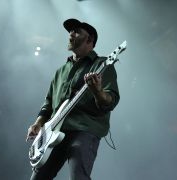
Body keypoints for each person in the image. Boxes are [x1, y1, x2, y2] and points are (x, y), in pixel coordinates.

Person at [26, 18, 120, 180]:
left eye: (76, 31)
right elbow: (49, 103)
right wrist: (38, 123)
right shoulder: (61, 71)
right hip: (54, 132)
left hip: (84, 129)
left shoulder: (102, 65)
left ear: (90, 39)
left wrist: (97, 91)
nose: (71, 34)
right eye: (70, 31)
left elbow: (110, 101)